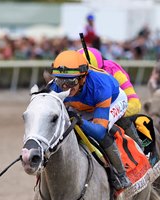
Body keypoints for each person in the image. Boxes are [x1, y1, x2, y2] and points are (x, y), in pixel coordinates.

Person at [48, 50, 131, 189]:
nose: (64, 88)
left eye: (70, 82)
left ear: (82, 78)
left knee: (100, 134)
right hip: (84, 104)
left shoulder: (100, 85)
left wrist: (79, 120)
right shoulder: (54, 86)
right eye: (60, 80)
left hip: (113, 101)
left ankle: (121, 174)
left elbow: (99, 131)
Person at [77, 47, 143, 148]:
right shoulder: (74, 76)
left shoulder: (114, 72)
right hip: (90, 109)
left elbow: (135, 104)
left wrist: (109, 114)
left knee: (119, 122)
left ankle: (141, 150)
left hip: (114, 105)